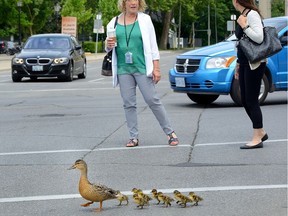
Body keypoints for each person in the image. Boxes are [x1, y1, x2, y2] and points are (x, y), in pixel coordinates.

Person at [105, 0, 179, 147]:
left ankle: (170, 133)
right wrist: (107, 45)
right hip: (123, 69)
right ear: (124, 3)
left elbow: (153, 45)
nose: (133, 3)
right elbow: (108, 48)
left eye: (136, 1)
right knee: (128, 104)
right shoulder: (113, 22)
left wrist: (156, 68)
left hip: (142, 68)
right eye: (130, 0)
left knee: (152, 100)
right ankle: (133, 137)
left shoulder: (145, 20)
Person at [232, 0, 268, 149]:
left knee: (252, 100)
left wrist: (244, 26)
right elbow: (241, 43)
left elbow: (259, 37)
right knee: (245, 99)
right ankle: (260, 131)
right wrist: (238, 64)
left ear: (237, 1)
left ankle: (257, 137)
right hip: (245, 62)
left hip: (256, 63)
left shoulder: (252, 15)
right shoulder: (243, 14)